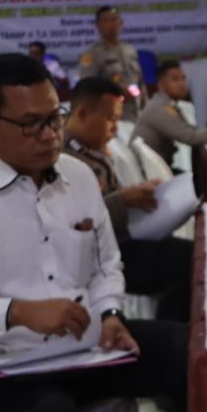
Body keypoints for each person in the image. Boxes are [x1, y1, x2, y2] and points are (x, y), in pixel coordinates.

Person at [0, 53, 188, 412]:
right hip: (9, 363)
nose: (51, 135)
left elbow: (107, 263)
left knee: (189, 353)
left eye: (55, 117)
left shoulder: (78, 176)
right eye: (31, 124)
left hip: (89, 345)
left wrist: (110, 312)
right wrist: (14, 312)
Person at [64, 76, 192, 322]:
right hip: (96, 256)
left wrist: (137, 193)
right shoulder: (64, 157)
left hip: (120, 238)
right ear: (82, 114)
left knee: (188, 256)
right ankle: (171, 333)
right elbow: (75, 219)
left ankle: (174, 329)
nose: (114, 128)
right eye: (110, 119)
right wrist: (123, 200)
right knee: (184, 263)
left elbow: (109, 194)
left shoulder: (90, 148)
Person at [131, 60, 207, 170]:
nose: (182, 84)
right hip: (150, 174)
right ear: (161, 85)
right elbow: (191, 137)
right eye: (175, 79)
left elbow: (191, 131)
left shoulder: (165, 104)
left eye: (183, 78)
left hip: (155, 170)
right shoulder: (160, 108)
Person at [79, 6, 146, 121]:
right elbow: (87, 87)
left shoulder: (130, 50)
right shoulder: (91, 54)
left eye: (114, 19)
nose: (111, 24)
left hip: (136, 112)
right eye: (105, 21)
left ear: (121, 23)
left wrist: (145, 106)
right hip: (111, 116)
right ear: (97, 25)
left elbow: (139, 82)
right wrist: (116, 91)